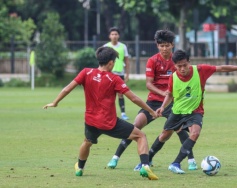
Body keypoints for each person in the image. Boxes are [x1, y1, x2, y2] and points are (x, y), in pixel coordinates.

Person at [43, 46, 159, 180]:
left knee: (87, 142)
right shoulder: (114, 79)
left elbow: (67, 88)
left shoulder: (86, 72)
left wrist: (55, 102)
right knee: (140, 136)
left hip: (91, 121)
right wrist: (150, 111)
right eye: (114, 62)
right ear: (110, 63)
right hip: (109, 123)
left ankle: (80, 168)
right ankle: (145, 166)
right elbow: (133, 98)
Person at [107, 30, 198, 171]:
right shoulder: (153, 60)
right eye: (161, 46)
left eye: (167, 45)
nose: (164, 48)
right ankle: (115, 158)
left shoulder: (177, 62)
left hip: (173, 103)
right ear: (157, 46)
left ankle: (191, 160)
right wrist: (163, 93)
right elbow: (149, 84)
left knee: (179, 129)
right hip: (154, 102)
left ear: (172, 45)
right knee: (135, 125)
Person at [153, 49, 237, 174]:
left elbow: (221, 68)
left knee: (195, 133)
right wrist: (163, 107)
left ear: (189, 62)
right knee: (164, 136)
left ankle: (175, 163)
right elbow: (169, 94)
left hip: (195, 110)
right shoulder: (173, 77)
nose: (182, 69)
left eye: (185, 65)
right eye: (179, 66)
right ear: (175, 66)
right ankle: (146, 160)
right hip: (178, 111)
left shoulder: (200, 70)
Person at [103, 27, 130, 120]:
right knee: (107, 94)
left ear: (118, 36)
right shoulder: (106, 46)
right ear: (109, 36)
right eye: (112, 34)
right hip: (109, 73)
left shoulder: (123, 46)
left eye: (116, 34)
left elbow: (126, 60)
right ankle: (106, 113)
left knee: (120, 93)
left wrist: (127, 73)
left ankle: (123, 113)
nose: (114, 36)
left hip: (120, 73)